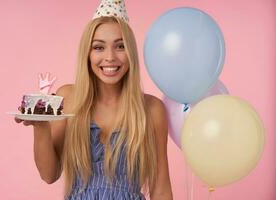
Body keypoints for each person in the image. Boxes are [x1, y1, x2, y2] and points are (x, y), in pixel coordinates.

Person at [15, 0, 173, 199]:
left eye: (120, 46)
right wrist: (40, 126)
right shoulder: (69, 98)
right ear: (87, 54)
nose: (110, 57)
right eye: (99, 47)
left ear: (131, 52)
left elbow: (161, 188)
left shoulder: (151, 109)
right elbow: (49, 174)